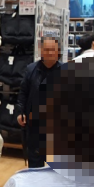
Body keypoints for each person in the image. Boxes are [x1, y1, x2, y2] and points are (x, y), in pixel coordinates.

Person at [16, 38, 61, 168]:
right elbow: (23, 93)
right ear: (41, 51)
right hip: (35, 125)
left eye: (53, 50)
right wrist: (20, 112)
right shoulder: (31, 70)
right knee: (35, 165)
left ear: (58, 52)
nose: (50, 53)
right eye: (46, 49)